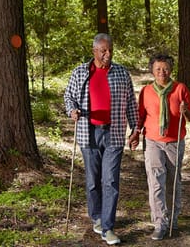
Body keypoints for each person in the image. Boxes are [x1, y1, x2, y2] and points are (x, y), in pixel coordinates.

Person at [64, 33, 138, 245]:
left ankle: (108, 228)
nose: (107, 54)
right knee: (92, 182)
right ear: (94, 51)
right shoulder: (80, 72)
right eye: (103, 51)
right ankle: (96, 216)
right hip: (88, 133)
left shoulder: (122, 73)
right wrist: (72, 110)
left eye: (110, 50)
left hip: (113, 133)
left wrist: (135, 128)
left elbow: (131, 103)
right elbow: (68, 96)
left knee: (111, 180)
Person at [129, 53, 190, 241]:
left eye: (165, 68)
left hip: (174, 141)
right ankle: (159, 223)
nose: (162, 72)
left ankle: (173, 219)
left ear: (171, 70)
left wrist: (186, 111)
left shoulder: (180, 89)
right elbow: (140, 117)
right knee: (156, 182)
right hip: (152, 141)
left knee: (173, 182)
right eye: (158, 69)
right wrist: (135, 133)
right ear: (152, 71)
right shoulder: (146, 91)